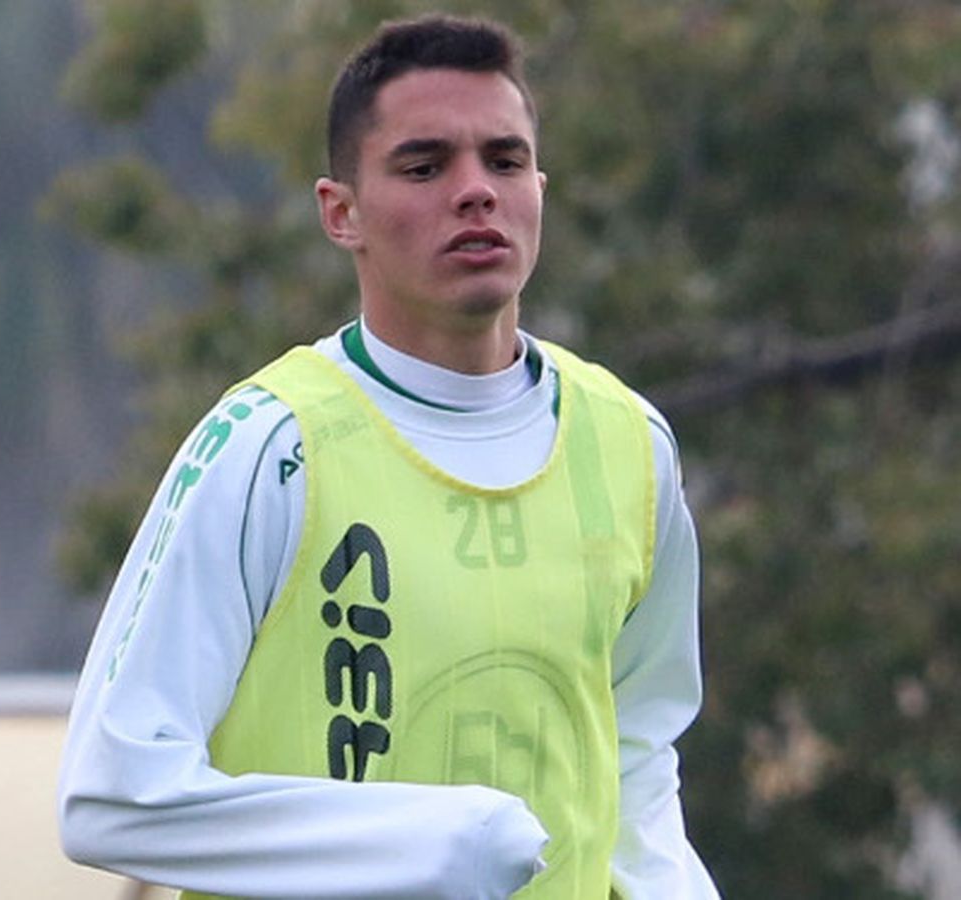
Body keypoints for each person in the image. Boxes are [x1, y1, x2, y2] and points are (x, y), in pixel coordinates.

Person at [58, 13, 719, 899]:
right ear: (342, 214)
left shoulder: (630, 443)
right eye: (424, 165)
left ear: (539, 190)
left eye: (505, 160)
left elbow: (641, 748)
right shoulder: (268, 445)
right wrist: (420, 842)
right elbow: (110, 795)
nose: (476, 191)